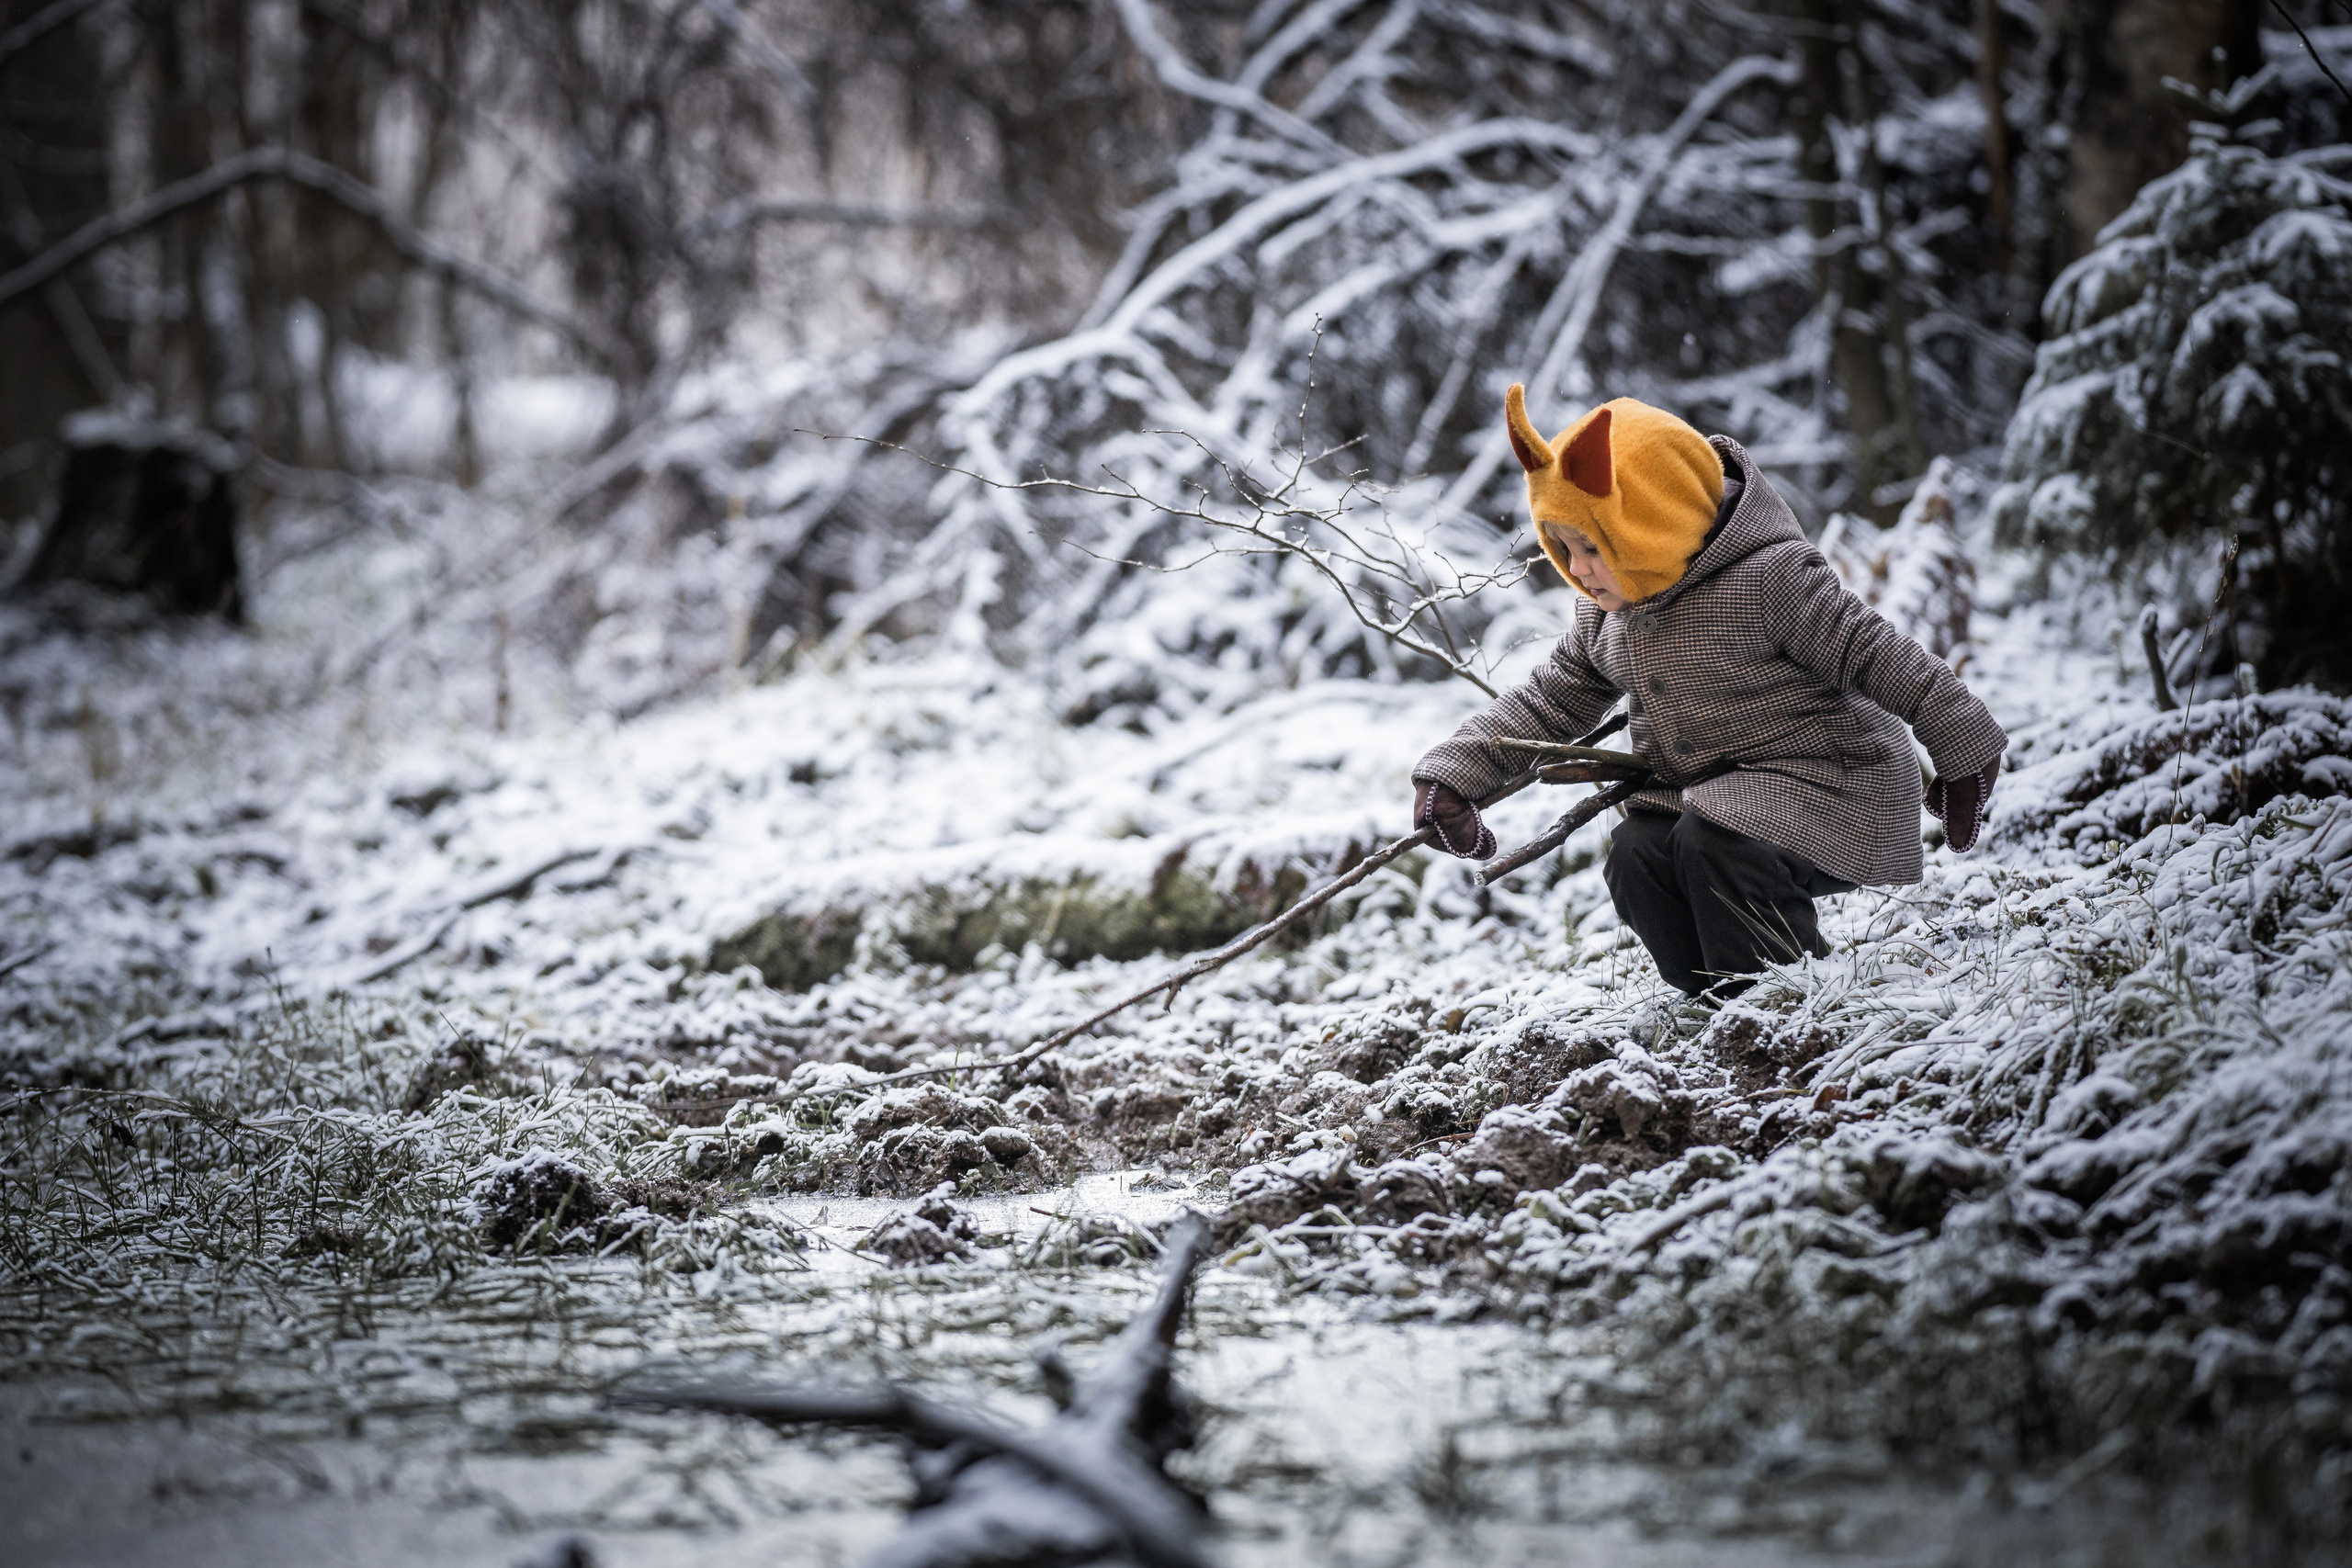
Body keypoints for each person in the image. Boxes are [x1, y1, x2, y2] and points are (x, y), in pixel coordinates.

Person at [1412, 386, 2005, 1000]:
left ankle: (1780, 996)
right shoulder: (1608, 615)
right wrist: (1454, 774)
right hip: (1712, 799)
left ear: (1652, 522)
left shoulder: (1770, 579)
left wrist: (1962, 744)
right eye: (1563, 547)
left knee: (1717, 841)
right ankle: (1720, 999)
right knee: (1639, 855)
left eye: (1593, 545)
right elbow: (1549, 698)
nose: (1578, 567)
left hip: (1833, 782)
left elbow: (1875, 653)